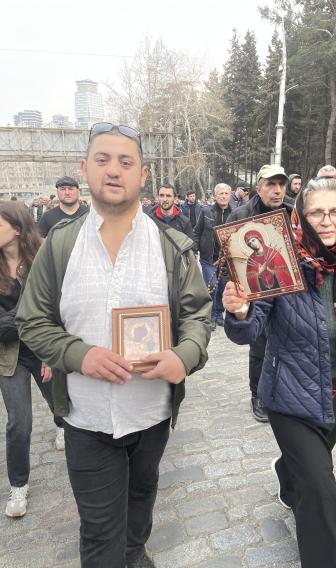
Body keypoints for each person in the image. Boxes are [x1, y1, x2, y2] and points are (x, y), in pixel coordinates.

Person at [16, 122, 211, 568]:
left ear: (143, 175)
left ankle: (136, 556)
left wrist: (184, 357)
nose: (114, 171)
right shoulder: (59, 247)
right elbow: (32, 321)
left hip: (152, 416)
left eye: (126, 162)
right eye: (102, 160)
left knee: (139, 513)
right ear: (85, 169)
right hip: (87, 419)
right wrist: (79, 355)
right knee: (100, 536)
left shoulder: (173, 247)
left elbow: (199, 316)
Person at [223, 177, 336, 568]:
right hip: (289, 396)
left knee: (309, 475)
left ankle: (287, 473)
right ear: (299, 217)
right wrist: (239, 310)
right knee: (322, 491)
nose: (325, 221)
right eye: (315, 212)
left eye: (334, 211)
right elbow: (250, 330)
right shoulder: (279, 266)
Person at [0, 202, 61, 517]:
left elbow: (50, 308)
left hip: (41, 348)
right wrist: (20, 319)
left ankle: (60, 425)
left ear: (18, 228)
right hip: (8, 356)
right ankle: (19, 487)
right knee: (18, 423)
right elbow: (26, 314)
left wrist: (50, 350)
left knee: (61, 406)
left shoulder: (40, 260)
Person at [227, 164, 290, 422]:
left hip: (287, 289)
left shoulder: (292, 212)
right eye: (271, 185)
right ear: (259, 187)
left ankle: (284, 391)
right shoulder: (240, 214)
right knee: (259, 345)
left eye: (281, 185)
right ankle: (258, 396)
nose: (277, 191)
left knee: (287, 342)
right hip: (255, 292)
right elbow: (229, 256)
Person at [194, 183, 233, 331]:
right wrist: (195, 248)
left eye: (226, 193)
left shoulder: (235, 212)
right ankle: (209, 316)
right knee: (212, 286)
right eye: (220, 194)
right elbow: (197, 231)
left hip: (226, 259)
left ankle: (218, 314)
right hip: (209, 257)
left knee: (222, 287)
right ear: (215, 196)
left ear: (230, 195)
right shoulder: (206, 211)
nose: (223, 196)